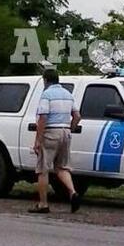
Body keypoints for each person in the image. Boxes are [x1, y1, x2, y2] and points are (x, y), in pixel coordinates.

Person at [28, 68, 81, 214]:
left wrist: (38, 140)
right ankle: (73, 193)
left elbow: (43, 118)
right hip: (65, 132)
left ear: (45, 80)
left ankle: (43, 204)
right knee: (62, 168)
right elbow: (77, 116)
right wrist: (70, 128)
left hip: (51, 132)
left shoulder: (47, 94)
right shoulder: (68, 94)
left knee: (43, 170)